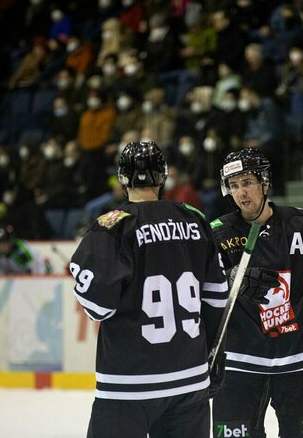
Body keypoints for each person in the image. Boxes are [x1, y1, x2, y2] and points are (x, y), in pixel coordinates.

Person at [70, 141, 229, 437]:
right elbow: (217, 294)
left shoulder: (113, 227)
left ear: (122, 177)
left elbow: (98, 306)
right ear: (163, 176)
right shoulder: (194, 218)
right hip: (190, 380)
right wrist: (215, 353)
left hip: (129, 384)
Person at [210, 148, 303, 438]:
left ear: (265, 182)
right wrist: (232, 279)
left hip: (300, 360)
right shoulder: (218, 234)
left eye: (247, 182)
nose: (241, 193)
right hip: (240, 364)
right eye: (233, 186)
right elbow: (205, 291)